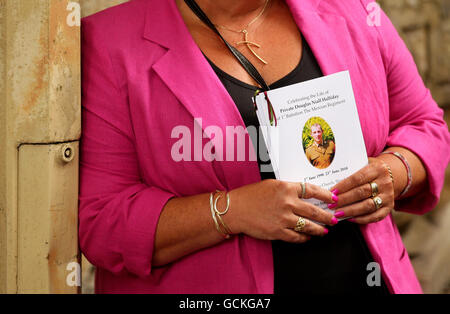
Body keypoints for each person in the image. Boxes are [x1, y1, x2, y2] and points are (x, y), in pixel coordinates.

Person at [79, 0, 450, 294]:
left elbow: (424, 125)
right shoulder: (112, 41)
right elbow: (102, 220)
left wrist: (393, 173)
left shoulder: (352, 9)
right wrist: (233, 211)